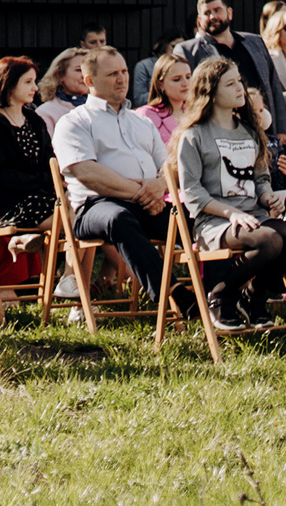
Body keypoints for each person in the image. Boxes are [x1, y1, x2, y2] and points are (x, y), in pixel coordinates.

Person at [172, 57, 286, 330]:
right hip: (216, 221)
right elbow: (192, 192)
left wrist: (267, 196)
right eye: (230, 84)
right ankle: (221, 294)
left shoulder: (248, 131)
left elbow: (260, 178)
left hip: (254, 216)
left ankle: (253, 296)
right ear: (210, 93)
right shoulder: (194, 136)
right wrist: (231, 212)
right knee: (270, 241)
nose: (239, 88)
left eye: (239, 82)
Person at [53, 48, 177, 310]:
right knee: (118, 218)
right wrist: (144, 193)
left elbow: (169, 165)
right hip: (95, 208)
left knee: (195, 220)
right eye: (112, 74)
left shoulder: (141, 122)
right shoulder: (74, 122)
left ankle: (223, 297)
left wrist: (160, 185)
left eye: (124, 71)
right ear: (89, 80)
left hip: (147, 203)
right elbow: (87, 173)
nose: (122, 79)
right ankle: (174, 297)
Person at [0, 57, 57, 303]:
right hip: (7, 203)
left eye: (34, 81)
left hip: (41, 197)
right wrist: (42, 182)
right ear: (8, 84)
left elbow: (50, 162)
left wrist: (51, 183)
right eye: (28, 82)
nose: (35, 87)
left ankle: (68, 280)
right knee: (71, 222)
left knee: (77, 212)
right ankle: (68, 285)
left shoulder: (34, 120)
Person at [178, 0, 286, 137]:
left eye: (217, 10)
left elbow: (273, 84)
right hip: (220, 130)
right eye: (207, 13)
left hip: (263, 128)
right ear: (199, 21)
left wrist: (282, 128)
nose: (213, 16)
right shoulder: (188, 51)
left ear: (229, 13)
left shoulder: (255, 42)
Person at [136, 51, 195, 148]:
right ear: (161, 85)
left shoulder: (195, 114)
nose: (185, 83)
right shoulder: (146, 115)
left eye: (188, 77)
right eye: (177, 79)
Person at [37, 47, 96, 131]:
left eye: (88, 70)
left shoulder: (99, 108)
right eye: (78, 70)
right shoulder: (46, 112)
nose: (85, 75)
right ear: (60, 75)